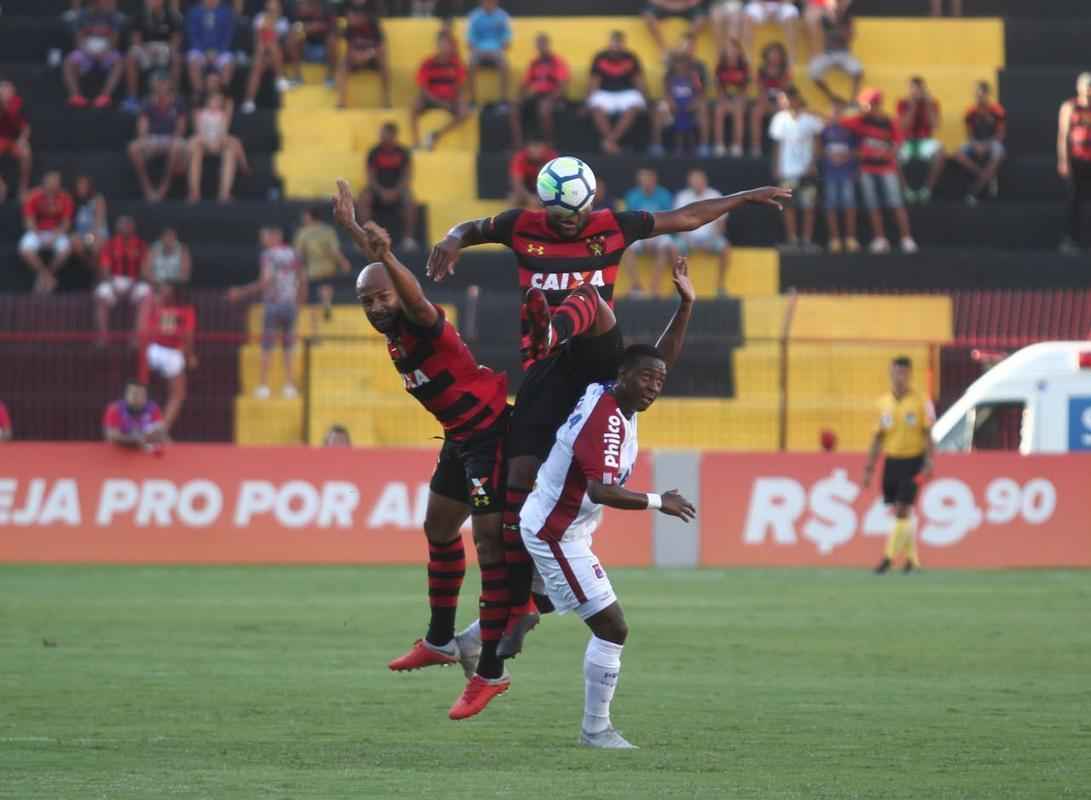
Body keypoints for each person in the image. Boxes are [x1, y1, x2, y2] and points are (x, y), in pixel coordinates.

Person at [427, 159, 789, 658]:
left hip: (594, 366)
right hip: (544, 377)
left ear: (591, 201)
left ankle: (553, 326)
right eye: (560, 215)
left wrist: (745, 196)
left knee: (588, 301)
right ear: (545, 205)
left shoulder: (613, 227)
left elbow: (684, 218)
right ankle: (513, 615)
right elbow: (471, 229)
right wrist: (451, 238)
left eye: (577, 213)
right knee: (523, 502)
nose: (569, 222)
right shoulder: (519, 225)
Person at [332, 180, 512, 721]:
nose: (375, 306)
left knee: (491, 544)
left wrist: (379, 250)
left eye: (381, 296)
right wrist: (354, 235)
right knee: (437, 528)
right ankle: (438, 640)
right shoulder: (394, 335)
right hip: (461, 439)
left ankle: (493, 668)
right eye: (366, 301)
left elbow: (411, 295)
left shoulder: (423, 324)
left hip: (491, 437)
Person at [520, 336, 697, 748]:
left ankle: (471, 643)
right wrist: (659, 501)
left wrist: (686, 304)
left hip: (559, 522)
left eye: (660, 381)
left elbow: (654, 360)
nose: (654, 386)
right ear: (623, 375)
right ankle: (596, 729)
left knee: (536, 606)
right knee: (612, 626)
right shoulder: (607, 418)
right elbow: (600, 491)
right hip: (556, 532)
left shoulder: (615, 394)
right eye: (647, 379)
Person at [861, 355, 935, 575]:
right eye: (895, 372)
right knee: (901, 511)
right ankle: (912, 560)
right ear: (890, 374)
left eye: (903, 373)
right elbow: (878, 438)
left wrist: (929, 461)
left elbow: (928, 434)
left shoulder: (921, 401)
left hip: (914, 461)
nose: (899, 377)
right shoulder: (883, 403)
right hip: (891, 461)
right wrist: (869, 468)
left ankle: (888, 558)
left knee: (902, 507)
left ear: (909, 374)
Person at [227, 227, 303, 399]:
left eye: (267, 235)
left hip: (274, 304)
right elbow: (301, 278)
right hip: (290, 304)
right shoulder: (294, 254)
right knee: (288, 346)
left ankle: (263, 385)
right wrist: (298, 302)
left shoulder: (268, 255)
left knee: (267, 346)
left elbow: (265, 281)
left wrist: (241, 292)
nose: (264, 238)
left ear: (276, 236)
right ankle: (289, 385)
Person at [842, 88, 918, 254]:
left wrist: (886, 154)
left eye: (866, 104)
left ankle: (906, 238)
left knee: (896, 203)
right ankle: (880, 239)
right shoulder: (860, 121)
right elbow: (840, 122)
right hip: (866, 169)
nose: (863, 107)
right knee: (872, 205)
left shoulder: (890, 122)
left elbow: (898, 144)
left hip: (887, 168)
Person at [769, 86, 824, 252]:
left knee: (808, 206)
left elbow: (817, 142)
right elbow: (777, 145)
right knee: (788, 206)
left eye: (787, 98)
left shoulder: (811, 119)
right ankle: (792, 239)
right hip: (787, 170)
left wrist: (813, 163)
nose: (785, 101)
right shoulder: (779, 118)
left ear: (796, 99)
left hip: (806, 170)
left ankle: (806, 240)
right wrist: (777, 166)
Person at [137, 282, 197, 432]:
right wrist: (190, 356)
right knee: (178, 395)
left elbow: (146, 330)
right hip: (171, 353)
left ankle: (147, 425)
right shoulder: (186, 310)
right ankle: (162, 429)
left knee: (146, 388)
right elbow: (188, 336)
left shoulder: (156, 308)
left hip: (153, 351)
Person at [586, 31, 648, 156]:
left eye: (619, 43)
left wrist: (644, 98)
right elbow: (594, 80)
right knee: (596, 108)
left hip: (626, 92)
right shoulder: (600, 57)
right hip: (605, 92)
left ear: (623, 44)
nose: (616, 45)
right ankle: (612, 143)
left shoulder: (631, 57)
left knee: (633, 107)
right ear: (609, 43)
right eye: (614, 42)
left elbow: (638, 79)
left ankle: (610, 141)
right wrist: (588, 99)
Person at [360, 122, 418, 251]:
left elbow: (406, 176)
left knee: (410, 200)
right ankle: (365, 237)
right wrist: (381, 192)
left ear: (393, 135)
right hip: (378, 191)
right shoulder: (374, 152)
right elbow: (370, 177)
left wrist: (395, 192)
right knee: (364, 198)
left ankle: (409, 239)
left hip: (398, 191)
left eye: (384, 134)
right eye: (381, 134)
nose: (381, 136)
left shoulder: (403, 152)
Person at [129, 75, 188, 201]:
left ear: (169, 85)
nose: (162, 86)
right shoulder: (147, 102)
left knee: (177, 145)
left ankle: (164, 187)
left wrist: (173, 139)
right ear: (154, 86)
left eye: (164, 83)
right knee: (134, 147)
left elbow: (181, 128)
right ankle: (147, 188)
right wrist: (146, 140)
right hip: (153, 139)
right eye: (159, 83)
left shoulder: (178, 102)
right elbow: (142, 128)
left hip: (172, 139)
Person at [672, 170, 730, 296]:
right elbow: (677, 223)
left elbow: (721, 223)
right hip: (687, 237)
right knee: (674, 248)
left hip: (711, 237)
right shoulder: (683, 196)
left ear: (705, 181)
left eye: (699, 180)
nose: (697, 183)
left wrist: (713, 239)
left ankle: (720, 287)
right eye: (694, 180)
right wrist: (688, 240)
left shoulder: (715, 195)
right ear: (689, 182)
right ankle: (679, 285)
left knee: (725, 248)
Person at [621, 169, 677, 297]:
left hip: (660, 232)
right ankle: (636, 286)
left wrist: (653, 236)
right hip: (639, 234)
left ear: (654, 180)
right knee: (626, 248)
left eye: (648, 180)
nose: (646, 183)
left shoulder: (664, 195)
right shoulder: (632, 196)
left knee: (665, 248)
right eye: (643, 180)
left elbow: (669, 220)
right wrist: (642, 236)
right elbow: (628, 221)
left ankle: (655, 287)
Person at [95, 216, 150, 346]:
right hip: (114, 280)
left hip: (134, 280)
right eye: (124, 225)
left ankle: (136, 337)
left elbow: (144, 271)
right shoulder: (110, 244)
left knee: (146, 293)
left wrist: (133, 285)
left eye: (129, 225)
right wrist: (113, 286)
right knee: (100, 293)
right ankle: (103, 337)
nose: (127, 228)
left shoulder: (141, 244)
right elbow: (105, 269)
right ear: (118, 228)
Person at [410, 31, 469, 150]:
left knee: (465, 111)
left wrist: (454, 100)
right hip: (431, 98)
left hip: (450, 99)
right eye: (442, 44)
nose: (445, 47)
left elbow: (459, 87)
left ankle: (436, 135)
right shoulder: (428, 63)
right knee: (414, 105)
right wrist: (440, 103)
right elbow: (423, 89)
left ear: (452, 46)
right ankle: (416, 143)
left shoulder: (456, 64)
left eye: (447, 44)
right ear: (437, 45)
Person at [122, 0, 184, 112]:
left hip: (164, 47)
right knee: (130, 57)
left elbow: (176, 39)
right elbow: (136, 39)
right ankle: (132, 98)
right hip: (144, 48)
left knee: (177, 57)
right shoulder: (139, 14)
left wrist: (168, 49)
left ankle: (174, 96)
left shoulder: (170, 14)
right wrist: (145, 49)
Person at [187, 89, 248, 203]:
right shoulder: (200, 114)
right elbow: (199, 131)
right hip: (203, 143)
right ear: (207, 101)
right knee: (194, 144)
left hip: (218, 143)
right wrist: (207, 142)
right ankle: (194, 192)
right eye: (214, 100)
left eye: (219, 100)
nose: (217, 102)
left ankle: (224, 193)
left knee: (232, 146)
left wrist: (218, 142)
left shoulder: (223, 115)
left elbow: (223, 132)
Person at [510, 33, 569, 148]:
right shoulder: (534, 63)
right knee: (514, 109)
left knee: (543, 109)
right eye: (538, 45)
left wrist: (552, 98)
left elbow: (562, 84)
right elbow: (524, 83)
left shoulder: (557, 61)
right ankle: (518, 144)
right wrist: (519, 97)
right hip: (536, 94)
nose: (541, 47)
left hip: (552, 95)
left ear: (548, 44)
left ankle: (549, 143)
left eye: (543, 44)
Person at [294, 206, 349, 329]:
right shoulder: (328, 231)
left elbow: (298, 255)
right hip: (328, 268)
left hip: (312, 271)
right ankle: (326, 303)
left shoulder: (303, 233)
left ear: (309, 217)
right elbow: (334, 251)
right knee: (326, 287)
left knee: (313, 302)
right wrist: (343, 262)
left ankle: (315, 329)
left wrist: (298, 271)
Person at [20, 172, 75, 295]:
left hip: (56, 232)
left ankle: (47, 273)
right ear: (44, 183)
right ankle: (45, 275)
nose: (53, 185)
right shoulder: (34, 196)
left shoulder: (65, 198)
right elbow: (29, 220)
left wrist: (56, 235)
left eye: (56, 183)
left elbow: (66, 223)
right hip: (38, 231)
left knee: (66, 249)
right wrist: (37, 233)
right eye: (50, 182)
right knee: (25, 248)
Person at [63, 0, 125, 109]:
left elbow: (115, 39)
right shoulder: (82, 15)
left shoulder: (112, 16)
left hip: (106, 50)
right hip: (86, 51)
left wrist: (105, 51)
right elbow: (78, 40)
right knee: (69, 61)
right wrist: (88, 52)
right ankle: (75, 95)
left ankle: (105, 96)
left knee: (119, 61)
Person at [953, 80, 1006, 207]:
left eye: (981, 94)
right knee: (958, 154)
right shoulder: (970, 111)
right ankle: (987, 176)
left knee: (998, 153)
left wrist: (987, 144)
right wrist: (975, 144)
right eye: (977, 94)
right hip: (976, 142)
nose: (979, 96)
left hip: (992, 142)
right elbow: (969, 134)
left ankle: (974, 191)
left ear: (987, 94)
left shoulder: (997, 110)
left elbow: (1000, 134)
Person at [650, 50, 710, 157]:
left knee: (703, 107)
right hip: (675, 108)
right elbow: (666, 94)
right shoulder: (669, 76)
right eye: (677, 62)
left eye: (683, 62)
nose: (680, 65)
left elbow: (701, 94)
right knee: (659, 108)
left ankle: (703, 145)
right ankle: (657, 145)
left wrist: (694, 103)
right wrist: (670, 102)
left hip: (691, 107)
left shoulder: (694, 76)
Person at [896, 76, 945, 205]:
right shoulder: (902, 103)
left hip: (925, 141)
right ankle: (905, 190)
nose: (916, 92)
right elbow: (903, 127)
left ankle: (927, 189)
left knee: (940, 151)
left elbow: (935, 125)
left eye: (919, 89)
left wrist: (928, 104)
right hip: (907, 141)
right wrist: (912, 105)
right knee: (892, 151)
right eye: (913, 88)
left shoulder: (932, 103)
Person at [1057, 72, 1091, 255]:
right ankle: (1070, 240)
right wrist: (1063, 161)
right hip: (1076, 161)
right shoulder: (1070, 106)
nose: (1088, 89)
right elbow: (1063, 136)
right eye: (1085, 85)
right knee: (1073, 201)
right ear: (1078, 87)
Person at [819, 98, 859, 253]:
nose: (836, 113)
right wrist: (830, 156)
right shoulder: (824, 130)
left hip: (847, 173)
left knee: (849, 205)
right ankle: (834, 239)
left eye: (839, 110)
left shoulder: (850, 130)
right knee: (830, 205)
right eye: (834, 110)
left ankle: (850, 238)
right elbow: (819, 148)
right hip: (830, 173)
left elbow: (857, 150)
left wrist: (845, 157)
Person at [335, 0, 390, 109]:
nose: (349, 18)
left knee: (383, 61)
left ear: (362, 16)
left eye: (352, 16)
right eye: (349, 16)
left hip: (371, 59)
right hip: (356, 58)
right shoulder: (349, 28)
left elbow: (381, 48)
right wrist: (357, 56)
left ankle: (386, 100)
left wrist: (367, 55)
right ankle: (341, 102)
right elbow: (349, 49)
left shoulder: (374, 27)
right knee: (343, 63)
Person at [241, 0, 293, 115]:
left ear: (279, 8)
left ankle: (279, 83)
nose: (272, 8)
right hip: (262, 53)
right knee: (258, 66)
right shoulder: (259, 18)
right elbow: (258, 41)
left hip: (279, 55)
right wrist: (262, 54)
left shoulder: (283, 22)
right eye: (270, 6)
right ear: (266, 6)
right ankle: (249, 102)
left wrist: (273, 22)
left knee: (274, 47)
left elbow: (284, 43)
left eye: (275, 6)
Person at [808, 0, 862, 105]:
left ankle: (853, 99)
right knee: (813, 72)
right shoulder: (824, 19)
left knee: (858, 71)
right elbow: (816, 32)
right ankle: (832, 97)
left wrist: (839, 25)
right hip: (827, 54)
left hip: (844, 54)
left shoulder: (847, 19)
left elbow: (849, 37)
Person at [185, 0, 236, 100]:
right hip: (199, 50)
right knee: (193, 61)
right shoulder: (195, 12)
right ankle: (199, 94)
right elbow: (192, 35)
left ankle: (222, 95)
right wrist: (203, 51)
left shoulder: (226, 12)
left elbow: (228, 36)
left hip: (220, 51)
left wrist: (218, 52)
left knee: (228, 63)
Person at [466, 0, 512, 105]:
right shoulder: (474, 16)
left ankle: (503, 99)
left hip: (496, 49)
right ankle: (472, 99)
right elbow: (470, 37)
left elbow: (506, 36)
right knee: (470, 64)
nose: (488, 3)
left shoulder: (503, 16)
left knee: (505, 65)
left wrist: (500, 48)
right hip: (479, 49)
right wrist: (477, 50)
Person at [750, 41, 791, 158]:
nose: (774, 57)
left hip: (780, 102)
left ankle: (783, 148)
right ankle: (755, 146)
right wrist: (767, 105)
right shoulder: (761, 71)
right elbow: (761, 92)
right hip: (765, 102)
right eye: (772, 54)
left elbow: (785, 92)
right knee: (756, 112)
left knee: (785, 113)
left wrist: (779, 106)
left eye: (777, 54)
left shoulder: (785, 72)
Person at [103, 380, 166, 450]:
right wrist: (135, 439)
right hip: (120, 451)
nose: (137, 397)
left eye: (141, 394)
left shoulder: (153, 409)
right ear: (126, 394)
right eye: (134, 393)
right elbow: (112, 436)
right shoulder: (115, 409)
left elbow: (161, 433)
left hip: (145, 452)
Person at [713, 38, 750, 157]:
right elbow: (719, 90)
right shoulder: (720, 67)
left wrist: (737, 101)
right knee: (719, 111)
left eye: (734, 50)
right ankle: (719, 145)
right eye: (729, 50)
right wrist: (724, 101)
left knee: (738, 110)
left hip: (739, 99)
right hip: (724, 99)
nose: (731, 52)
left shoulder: (744, 67)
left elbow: (744, 90)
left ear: (739, 51)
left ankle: (737, 145)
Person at [289, 0, 338, 87]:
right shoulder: (301, 6)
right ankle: (297, 77)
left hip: (325, 50)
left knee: (332, 39)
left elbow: (334, 28)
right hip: (306, 48)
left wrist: (319, 27)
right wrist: (308, 27)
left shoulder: (328, 6)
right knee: (294, 37)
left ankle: (330, 78)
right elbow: (295, 26)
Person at [0, 80, 32, 203]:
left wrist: (22, 140)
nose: (6, 93)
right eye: (3, 90)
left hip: (13, 140)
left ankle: (23, 187)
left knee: (26, 152)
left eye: (9, 90)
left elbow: (26, 127)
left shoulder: (18, 104)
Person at [70, 174, 109, 271]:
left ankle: (96, 271)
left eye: (84, 186)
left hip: (97, 231)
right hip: (81, 233)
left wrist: (91, 235)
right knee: (74, 242)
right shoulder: (73, 200)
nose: (82, 188)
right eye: (79, 186)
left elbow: (99, 221)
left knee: (96, 246)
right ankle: (90, 265)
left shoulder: (98, 199)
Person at [509, 138, 558, 209]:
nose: (536, 151)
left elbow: (555, 183)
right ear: (527, 148)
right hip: (526, 191)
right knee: (514, 199)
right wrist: (529, 198)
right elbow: (517, 184)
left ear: (545, 147)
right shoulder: (520, 157)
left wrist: (541, 197)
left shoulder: (551, 157)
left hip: (546, 191)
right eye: (533, 146)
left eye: (539, 147)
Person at [642, 0, 707, 54]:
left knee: (700, 19)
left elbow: (695, 2)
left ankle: (685, 43)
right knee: (648, 16)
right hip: (663, 5)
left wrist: (682, 5)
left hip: (686, 6)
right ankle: (664, 50)